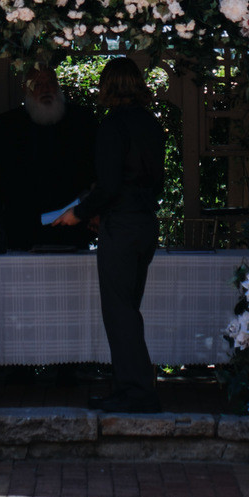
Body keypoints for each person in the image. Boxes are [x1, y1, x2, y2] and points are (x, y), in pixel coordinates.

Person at [81, 56, 166, 413]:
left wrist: (80, 211)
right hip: (145, 222)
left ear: (109, 86)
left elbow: (110, 185)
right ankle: (125, 386)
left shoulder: (112, 126)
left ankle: (136, 392)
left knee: (120, 312)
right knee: (128, 308)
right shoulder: (151, 124)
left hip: (121, 224)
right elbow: (156, 181)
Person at [0, 63, 93, 254]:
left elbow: (94, 173)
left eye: (50, 82)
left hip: (71, 224)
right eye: (38, 84)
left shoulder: (81, 120)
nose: (46, 89)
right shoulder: (8, 125)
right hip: (22, 226)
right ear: (25, 88)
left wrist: (92, 212)